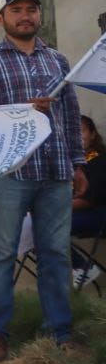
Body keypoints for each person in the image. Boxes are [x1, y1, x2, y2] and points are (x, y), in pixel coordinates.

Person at [0, 0, 88, 362]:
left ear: (39, 16)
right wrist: (21, 109)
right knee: (1, 256)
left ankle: (60, 332)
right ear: (1, 18)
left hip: (54, 172)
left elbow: (69, 115)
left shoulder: (58, 60)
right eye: (16, 10)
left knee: (55, 254)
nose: (25, 16)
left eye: (31, 10)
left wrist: (78, 164)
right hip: (9, 173)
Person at [72, 115, 106, 288]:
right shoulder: (70, 162)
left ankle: (83, 267)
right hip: (72, 212)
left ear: (92, 134)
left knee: (47, 225)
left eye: (81, 131)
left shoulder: (99, 160)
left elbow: (89, 200)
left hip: (97, 213)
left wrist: (51, 207)